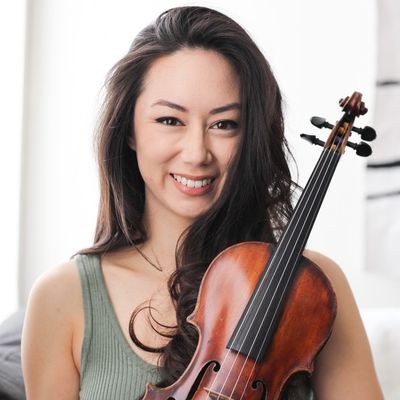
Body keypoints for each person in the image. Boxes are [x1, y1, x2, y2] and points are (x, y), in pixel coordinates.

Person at [21, 6, 383, 400]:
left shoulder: (309, 288)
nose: (197, 154)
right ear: (129, 131)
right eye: (170, 121)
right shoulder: (62, 298)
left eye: (224, 124)